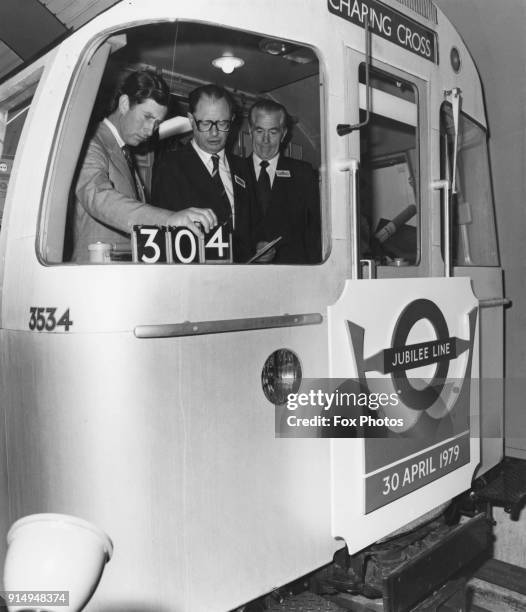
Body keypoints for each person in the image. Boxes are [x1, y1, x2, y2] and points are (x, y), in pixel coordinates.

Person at [71, 69, 217, 262]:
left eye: (157, 123)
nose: (150, 130)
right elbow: (97, 196)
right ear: (124, 104)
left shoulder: (124, 152)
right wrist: (168, 219)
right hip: (94, 277)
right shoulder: (91, 143)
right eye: (147, 117)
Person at [152, 84, 255, 262]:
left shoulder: (243, 167)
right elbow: (163, 234)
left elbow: (250, 224)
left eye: (222, 123)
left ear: (232, 120)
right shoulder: (170, 166)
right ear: (191, 120)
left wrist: (258, 246)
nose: (214, 132)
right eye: (206, 123)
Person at [247, 99, 320, 264]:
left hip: (294, 274)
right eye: (259, 131)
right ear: (250, 131)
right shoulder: (234, 170)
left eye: (273, 132)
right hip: (246, 275)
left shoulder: (303, 174)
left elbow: (316, 230)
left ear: (284, 134)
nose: (265, 140)